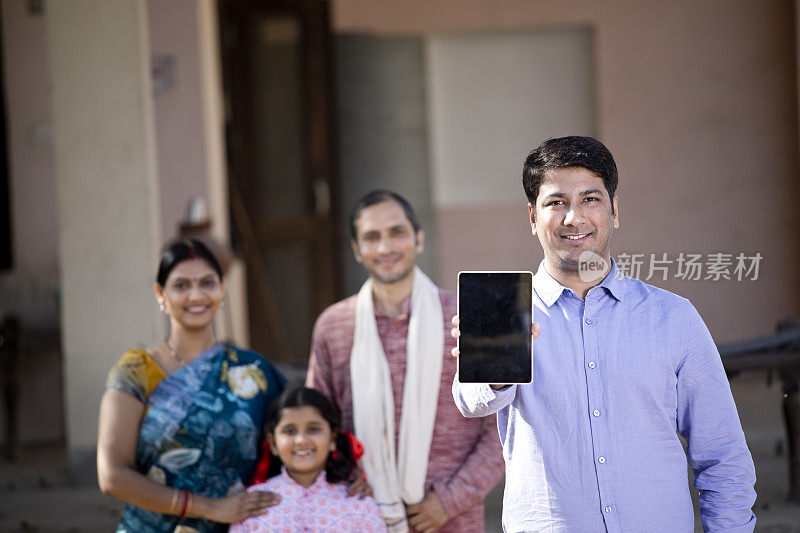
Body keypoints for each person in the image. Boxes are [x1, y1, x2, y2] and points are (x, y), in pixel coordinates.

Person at [451, 136, 757, 532]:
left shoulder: (673, 317)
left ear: (614, 210)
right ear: (532, 217)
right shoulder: (506, 312)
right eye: (556, 202)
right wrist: (492, 366)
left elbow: (722, 454)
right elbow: (471, 402)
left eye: (590, 200)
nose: (573, 218)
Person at [306, 190, 504, 533]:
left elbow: (503, 424)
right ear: (356, 249)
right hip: (359, 516)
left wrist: (449, 501)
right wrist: (347, 475)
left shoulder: (465, 317)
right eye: (371, 237)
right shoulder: (333, 327)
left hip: (453, 521)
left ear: (419, 238)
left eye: (397, 232)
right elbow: (317, 421)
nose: (385, 248)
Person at [97, 239, 287, 532]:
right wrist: (210, 507)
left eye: (207, 283)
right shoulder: (136, 371)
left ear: (222, 288)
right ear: (160, 294)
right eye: (182, 285)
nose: (196, 295)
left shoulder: (253, 371)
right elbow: (112, 476)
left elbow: (292, 447)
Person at [231, 386, 387, 532]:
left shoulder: (359, 503)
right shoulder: (252, 503)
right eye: (290, 431)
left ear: (332, 439)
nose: (301, 440)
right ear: (273, 443)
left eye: (313, 429)